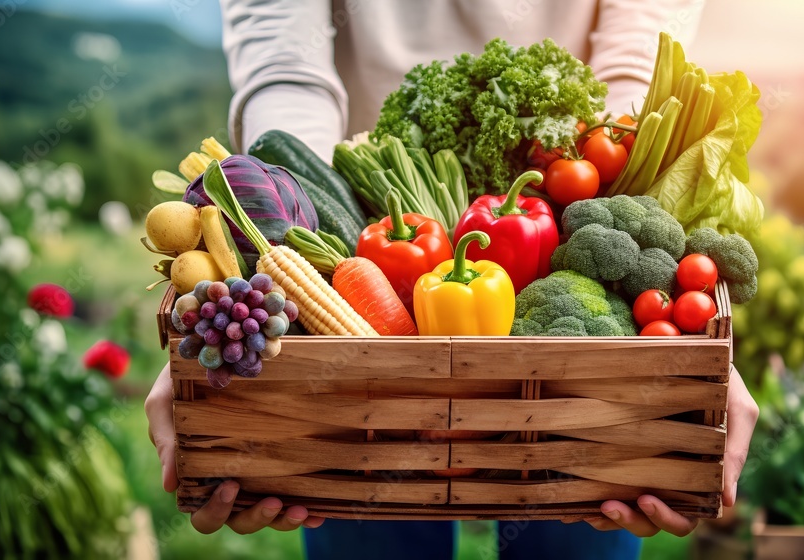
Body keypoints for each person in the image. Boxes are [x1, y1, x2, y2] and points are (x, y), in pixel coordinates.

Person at [145, 1, 761, 558]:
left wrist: (692, 359)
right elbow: (285, 60)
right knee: (363, 512)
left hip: (574, 288)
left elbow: (637, 46)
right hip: (349, 334)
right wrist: (263, 235)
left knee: (583, 516)